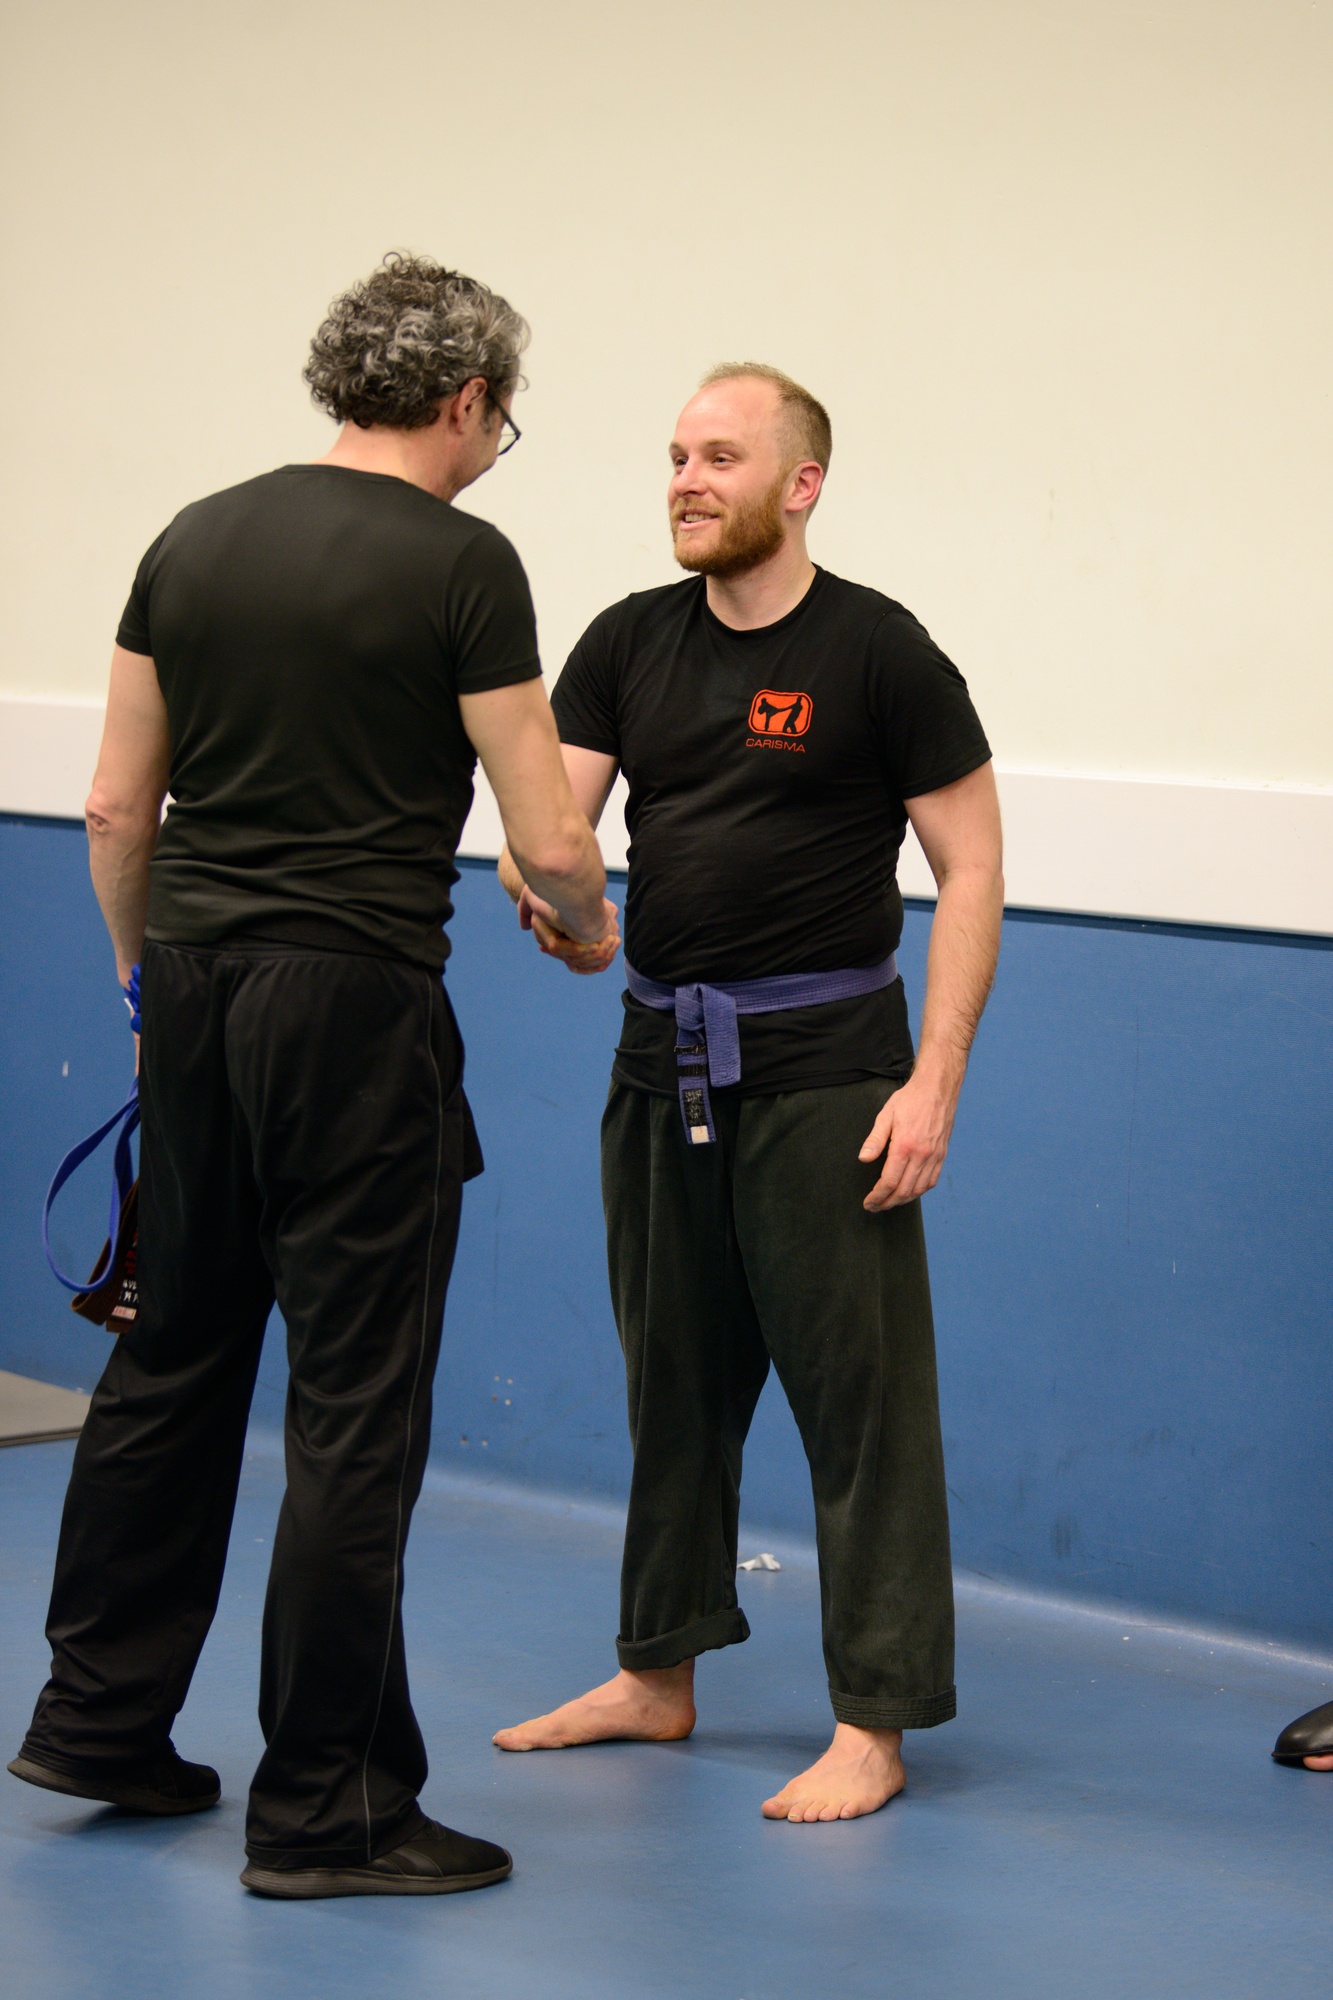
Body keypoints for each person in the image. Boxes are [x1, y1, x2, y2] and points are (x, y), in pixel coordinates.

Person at [7, 254, 617, 1896]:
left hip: (194, 985)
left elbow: (117, 809)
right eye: (503, 422)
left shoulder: (191, 538)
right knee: (354, 1408)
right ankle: (327, 1810)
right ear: (468, 400)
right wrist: (585, 931)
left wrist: (145, 984)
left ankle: (98, 1723)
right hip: (353, 1008)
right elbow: (552, 835)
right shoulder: (465, 561)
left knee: (170, 1358)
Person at [493, 362, 1003, 1824]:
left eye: (720, 456)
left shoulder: (880, 652)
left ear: (800, 483)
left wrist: (934, 1080)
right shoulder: (628, 641)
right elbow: (551, 826)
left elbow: (971, 867)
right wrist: (556, 901)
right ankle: (655, 1674)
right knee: (672, 1385)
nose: (685, 480)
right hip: (659, 1070)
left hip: (827, 1082)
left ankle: (874, 1721)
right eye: (675, 456)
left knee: (862, 1411)